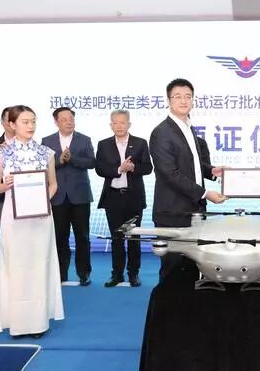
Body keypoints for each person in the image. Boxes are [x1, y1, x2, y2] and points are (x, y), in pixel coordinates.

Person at [0, 105, 64, 338]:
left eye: (33, 121)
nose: (30, 126)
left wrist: (43, 200)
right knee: (16, 266)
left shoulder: (46, 153)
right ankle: (17, 322)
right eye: (25, 122)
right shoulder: (1, 154)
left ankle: (38, 321)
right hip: (14, 219)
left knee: (39, 265)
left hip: (41, 218)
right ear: (12, 124)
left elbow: (53, 184)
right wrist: (7, 185)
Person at [149, 78, 225, 281]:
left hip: (193, 210)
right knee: (172, 270)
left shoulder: (188, 128)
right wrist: (205, 193)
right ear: (168, 100)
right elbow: (169, 173)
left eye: (188, 96)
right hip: (173, 213)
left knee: (192, 268)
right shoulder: (161, 133)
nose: (183, 100)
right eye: (177, 96)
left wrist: (212, 171)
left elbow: (191, 165)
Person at [96, 110, 153, 288]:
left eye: (122, 122)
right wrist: (119, 169)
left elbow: (148, 168)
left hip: (133, 197)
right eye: (115, 123)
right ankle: (117, 274)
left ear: (129, 124)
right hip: (113, 197)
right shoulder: (103, 144)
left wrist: (133, 167)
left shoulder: (140, 143)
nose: (119, 126)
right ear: (110, 125)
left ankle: (133, 274)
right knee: (117, 238)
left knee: (134, 238)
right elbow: (99, 169)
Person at [42, 107, 96, 286]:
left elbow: (92, 162)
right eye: (64, 119)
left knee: (83, 237)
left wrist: (72, 159)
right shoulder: (47, 141)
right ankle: (60, 273)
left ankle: (84, 273)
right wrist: (59, 161)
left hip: (80, 196)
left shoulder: (84, 139)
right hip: (57, 196)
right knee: (59, 237)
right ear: (56, 122)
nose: (69, 122)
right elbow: (43, 166)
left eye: (71, 118)